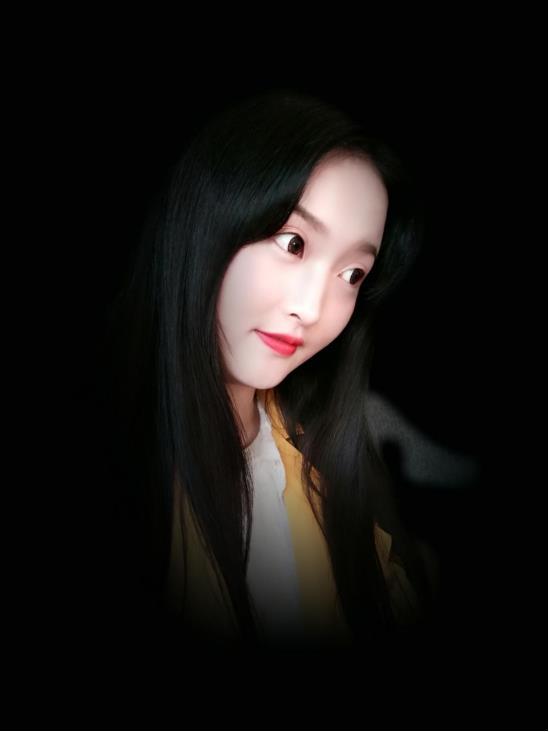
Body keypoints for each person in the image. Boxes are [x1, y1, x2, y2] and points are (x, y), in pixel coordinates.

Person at [98, 88, 436, 660]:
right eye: (294, 243)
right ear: (209, 216)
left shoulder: (328, 468)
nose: (313, 307)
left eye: (352, 275)